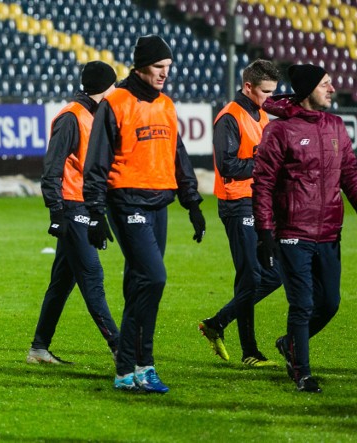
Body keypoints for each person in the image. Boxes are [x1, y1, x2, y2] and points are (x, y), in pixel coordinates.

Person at [83, 35, 206, 393]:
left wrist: (193, 202)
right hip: (127, 203)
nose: (164, 74)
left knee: (141, 284)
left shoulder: (167, 105)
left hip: (159, 205)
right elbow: (97, 161)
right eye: (158, 67)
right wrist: (95, 212)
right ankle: (140, 363)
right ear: (139, 67)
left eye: (168, 68)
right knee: (153, 278)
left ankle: (131, 370)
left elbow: (178, 156)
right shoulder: (116, 102)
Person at [253, 63, 357, 393]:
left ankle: (289, 344)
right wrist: (266, 232)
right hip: (292, 232)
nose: (331, 89)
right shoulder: (280, 131)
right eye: (325, 84)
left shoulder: (337, 126)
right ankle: (302, 373)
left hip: (329, 232)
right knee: (303, 304)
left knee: (330, 304)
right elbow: (264, 183)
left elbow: (350, 176)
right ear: (309, 89)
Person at [27, 61, 120, 365]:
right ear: (105, 88)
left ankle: (39, 349)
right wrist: (57, 213)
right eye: (114, 86)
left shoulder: (94, 115)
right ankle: (121, 350)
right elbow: (51, 170)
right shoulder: (71, 117)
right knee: (92, 276)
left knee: (62, 282)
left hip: (83, 205)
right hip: (70, 206)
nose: (117, 91)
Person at [198, 60, 282, 367]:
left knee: (271, 275)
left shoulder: (260, 115)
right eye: (265, 92)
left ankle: (218, 324)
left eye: (274, 92)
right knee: (254, 277)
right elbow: (229, 166)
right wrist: (266, 164)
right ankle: (249, 351)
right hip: (237, 204)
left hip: (258, 202)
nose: (270, 98)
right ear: (248, 86)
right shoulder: (229, 118)